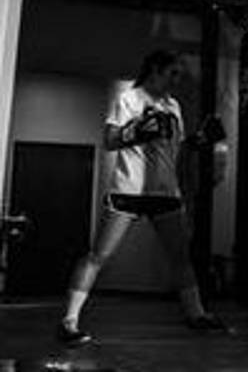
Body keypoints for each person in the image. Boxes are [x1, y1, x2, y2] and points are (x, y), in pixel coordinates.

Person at [57, 50, 226, 346]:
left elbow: (175, 148)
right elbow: (109, 141)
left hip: (165, 192)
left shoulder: (173, 105)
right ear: (155, 70)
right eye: (172, 73)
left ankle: (196, 314)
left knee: (181, 258)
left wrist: (197, 141)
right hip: (129, 190)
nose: (176, 80)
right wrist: (134, 132)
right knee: (98, 256)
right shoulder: (128, 99)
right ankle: (68, 322)